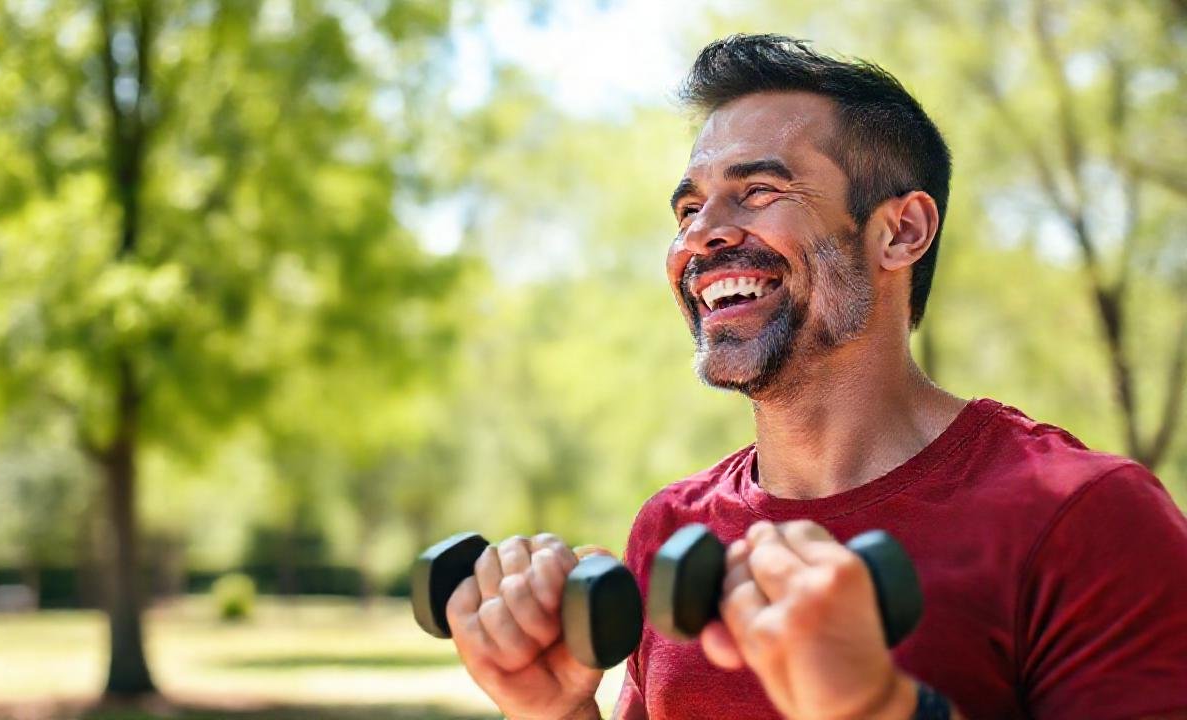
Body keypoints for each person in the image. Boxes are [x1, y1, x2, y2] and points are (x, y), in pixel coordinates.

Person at [441, 34, 1187, 719]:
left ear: (901, 231)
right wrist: (555, 711)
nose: (700, 235)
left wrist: (878, 705)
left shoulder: (1085, 517)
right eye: (690, 207)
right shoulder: (673, 528)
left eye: (760, 191)